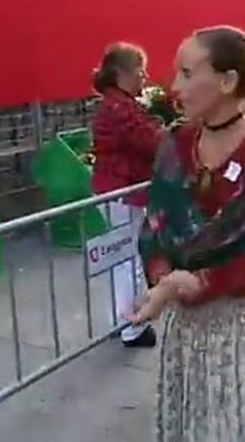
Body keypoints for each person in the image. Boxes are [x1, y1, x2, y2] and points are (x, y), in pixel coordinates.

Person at [128, 26, 245, 442]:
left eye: (188, 74)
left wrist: (199, 282)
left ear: (227, 81)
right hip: (187, 326)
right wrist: (164, 281)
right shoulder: (176, 143)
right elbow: (155, 223)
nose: (175, 87)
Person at [89, 42, 163, 348]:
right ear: (122, 73)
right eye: (140, 71)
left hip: (116, 189)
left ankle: (122, 320)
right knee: (127, 258)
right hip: (122, 190)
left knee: (123, 257)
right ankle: (131, 325)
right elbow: (148, 140)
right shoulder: (121, 108)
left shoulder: (117, 104)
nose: (145, 77)